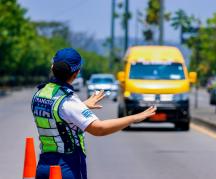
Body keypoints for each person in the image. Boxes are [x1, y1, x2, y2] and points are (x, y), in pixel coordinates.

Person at [31, 48, 156, 179]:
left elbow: (56, 114)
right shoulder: (68, 100)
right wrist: (134, 118)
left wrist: (82, 106)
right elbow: (99, 129)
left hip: (44, 167)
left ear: (52, 67)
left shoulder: (40, 94)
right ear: (77, 72)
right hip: (66, 168)